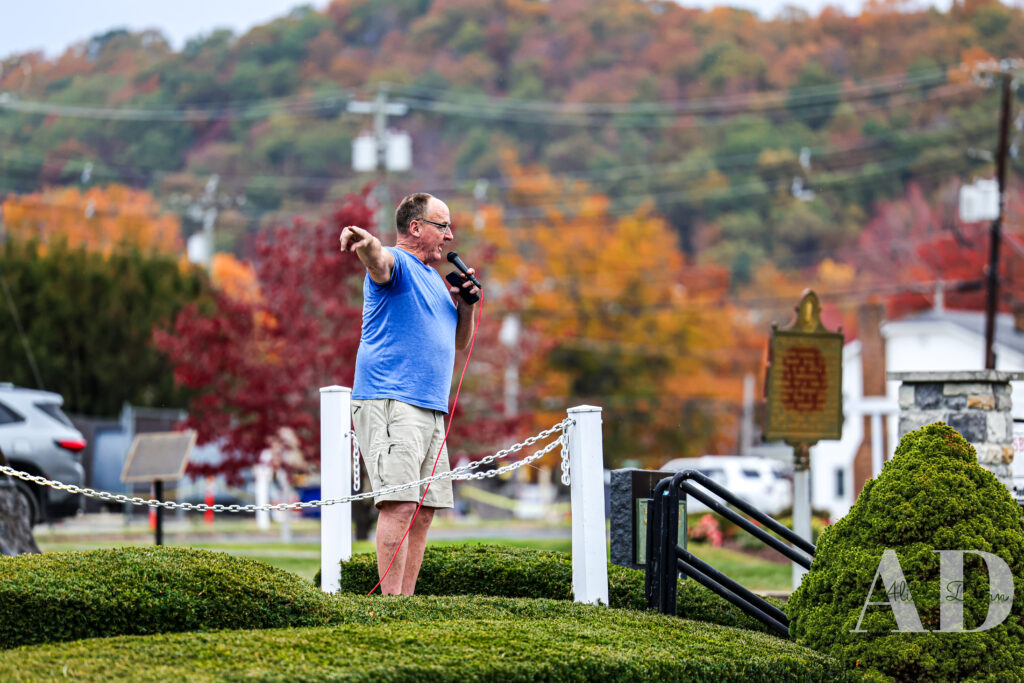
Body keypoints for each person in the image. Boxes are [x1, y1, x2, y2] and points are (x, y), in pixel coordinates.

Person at [339, 192, 479, 595]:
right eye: (443, 226)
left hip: (431, 409)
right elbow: (378, 262)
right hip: (391, 400)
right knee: (400, 504)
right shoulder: (398, 264)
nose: (450, 236)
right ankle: (391, 609)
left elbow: (460, 343)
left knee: (423, 512)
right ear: (415, 227)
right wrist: (366, 243)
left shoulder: (435, 281)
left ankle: (406, 604)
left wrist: (466, 305)